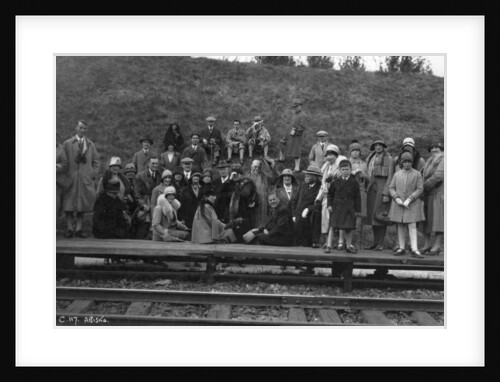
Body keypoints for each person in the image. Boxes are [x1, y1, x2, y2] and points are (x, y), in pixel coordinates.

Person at [62, 120, 100, 239]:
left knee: (81, 206)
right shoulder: (67, 143)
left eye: (84, 128)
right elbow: (62, 160)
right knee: (68, 205)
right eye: (80, 128)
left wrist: (91, 174)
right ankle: (69, 229)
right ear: (76, 128)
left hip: (84, 179)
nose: (82, 130)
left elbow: (96, 161)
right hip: (70, 178)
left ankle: (79, 229)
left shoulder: (90, 145)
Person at [389, 152, 425, 258]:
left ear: (412, 163)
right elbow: (391, 188)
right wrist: (396, 198)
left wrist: (410, 198)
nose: (407, 164)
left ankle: (414, 249)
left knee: (412, 225)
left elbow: (420, 188)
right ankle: (401, 247)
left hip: (412, 204)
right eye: (405, 162)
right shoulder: (397, 174)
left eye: (409, 162)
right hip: (399, 204)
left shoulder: (417, 174)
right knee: (400, 224)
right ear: (401, 163)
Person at [362, 139, 394, 251]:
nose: (378, 147)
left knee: (380, 217)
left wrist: (386, 193)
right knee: (372, 218)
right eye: (376, 145)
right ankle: (375, 243)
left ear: (384, 147)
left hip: (381, 189)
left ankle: (380, 244)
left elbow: (390, 177)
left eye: (380, 145)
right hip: (371, 188)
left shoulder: (389, 159)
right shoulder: (370, 158)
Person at [315, 144, 348, 250]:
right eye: (327, 155)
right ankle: (327, 242)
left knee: (339, 219)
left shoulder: (340, 166)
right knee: (326, 219)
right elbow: (323, 184)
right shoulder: (326, 167)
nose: (329, 157)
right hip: (327, 197)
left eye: (331, 155)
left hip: (338, 197)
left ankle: (340, 241)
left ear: (336, 155)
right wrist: (318, 198)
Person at [326, 160, 361, 253]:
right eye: (343, 169)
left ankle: (348, 246)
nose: (345, 171)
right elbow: (330, 194)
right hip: (337, 207)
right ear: (339, 170)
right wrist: (329, 205)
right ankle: (328, 245)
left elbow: (358, 197)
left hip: (349, 208)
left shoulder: (354, 182)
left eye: (347, 169)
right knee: (333, 226)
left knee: (349, 227)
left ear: (350, 170)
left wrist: (357, 210)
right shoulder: (335, 182)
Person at [420, 143, 444, 255]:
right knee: (427, 220)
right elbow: (423, 174)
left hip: (438, 193)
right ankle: (427, 244)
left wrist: (424, 186)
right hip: (429, 194)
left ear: (441, 149)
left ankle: (437, 245)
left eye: (437, 147)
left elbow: (439, 176)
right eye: (432, 147)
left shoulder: (444, 159)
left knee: (439, 221)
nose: (434, 149)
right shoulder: (429, 160)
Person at [291, 164, 323, 249]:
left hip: (309, 219)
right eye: (306, 174)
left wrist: (309, 209)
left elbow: (319, 204)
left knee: (306, 246)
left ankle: (314, 242)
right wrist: (293, 214)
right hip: (297, 218)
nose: (306, 176)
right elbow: (294, 201)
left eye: (309, 175)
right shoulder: (303, 185)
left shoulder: (321, 188)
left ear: (315, 177)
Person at [132, 155, 162, 239]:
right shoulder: (140, 176)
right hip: (145, 203)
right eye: (153, 163)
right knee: (145, 224)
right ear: (148, 164)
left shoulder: (160, 175)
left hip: (157, 203)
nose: (155, 165)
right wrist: (143, 204)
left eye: (156, 163)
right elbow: (136, 193)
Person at [246, 159, 278, 228]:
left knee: (263, 223)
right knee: (251, 222)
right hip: (251, 205)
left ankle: (261, 234)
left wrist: (273, 167)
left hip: (263, 204)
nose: (257, 168)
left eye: (258, 167)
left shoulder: (264, 176)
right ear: (251, 166)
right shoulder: (246, 177)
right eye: (255, 167)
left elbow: (275, 179)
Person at [228, 174, 258, 241]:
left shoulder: (248, 182)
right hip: (235, 208)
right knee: (236, 224)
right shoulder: (231, 183)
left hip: (245, 208)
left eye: (238, 174)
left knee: (245, 224)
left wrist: (253, 202)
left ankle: (245, 239)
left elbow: (253, 193)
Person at [283, 99, 307, 172]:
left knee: (297, 151)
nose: (295, 108)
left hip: (297, 136)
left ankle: (297, 167)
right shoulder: (296, 114)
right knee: (292, 150)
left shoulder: (303, 115)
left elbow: (302, 126)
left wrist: (296, 133)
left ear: (300, 106)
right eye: (294, 107)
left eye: (297, 106)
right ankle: (294, 166)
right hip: (292, 135)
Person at [348, 140, 368, 220]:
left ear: (360, 152)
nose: (355, 153)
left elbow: (368, 180)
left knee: (359, 215)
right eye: (353, 150)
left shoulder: (364, 164)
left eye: (357, 150)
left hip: (361, 191)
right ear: (350, 152)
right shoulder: (346, 162)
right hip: (349, 190)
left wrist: (365, 176)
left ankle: (358, 232)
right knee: (349, 214)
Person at [56, 137, 69, 219]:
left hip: (56, 179)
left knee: (56, 202)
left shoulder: (60, 148)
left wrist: (56, 167)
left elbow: (64, 163)